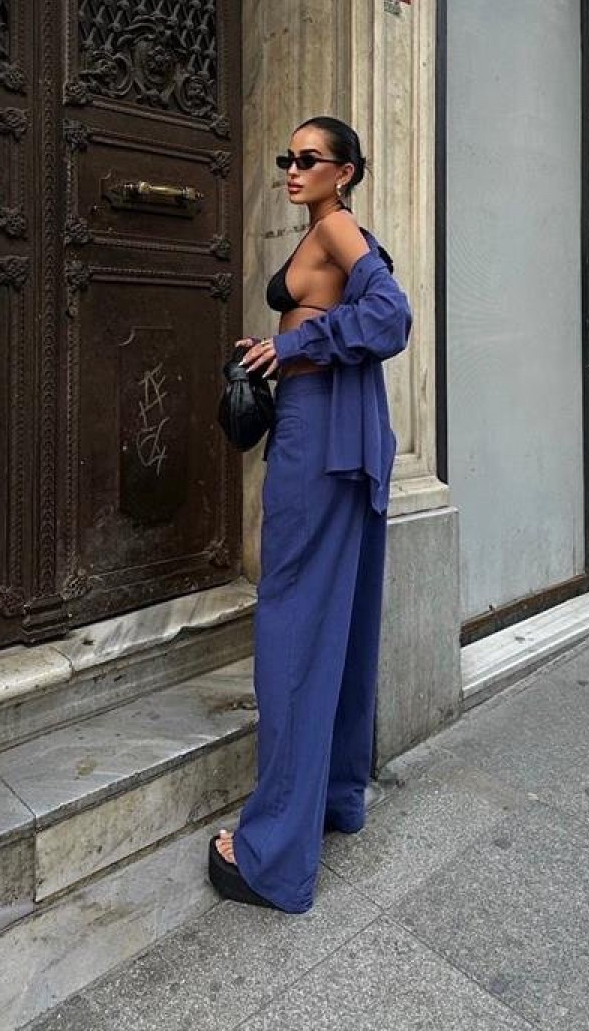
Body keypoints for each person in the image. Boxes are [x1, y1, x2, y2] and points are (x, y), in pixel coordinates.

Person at [207, 116, 412, 913]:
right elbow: (338, 317)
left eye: (309, 159)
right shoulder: (329, 232)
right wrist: (279, 348)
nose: (292, 169)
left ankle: (272, 856)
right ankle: (334, 799)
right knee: (342, 624)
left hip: (317, 437)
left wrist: (292, 347)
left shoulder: (337, 228)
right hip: (336, 433)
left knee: (290, 625)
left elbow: (390, 316)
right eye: (286, 158)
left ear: (345, 172)